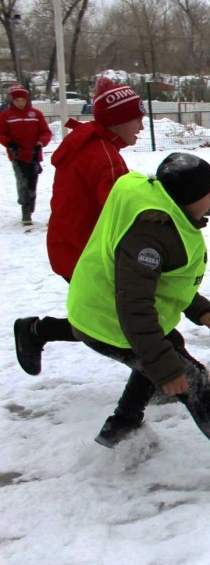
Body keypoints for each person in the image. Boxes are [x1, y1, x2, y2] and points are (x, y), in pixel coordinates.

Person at [65, 153, 210, 481]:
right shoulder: (150, 237)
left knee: (166, 348)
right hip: (110, 320)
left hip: (109, 307)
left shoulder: (163, 212)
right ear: (186, 198)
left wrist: (198, 309)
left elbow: (164, 280)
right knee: (190, 379)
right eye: (208, 194)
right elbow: (135, 307)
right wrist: (165, 369)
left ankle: (121, 425)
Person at [13, 77, 146, 377]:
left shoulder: (91, 144)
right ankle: (155, 375)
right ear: (117, 121)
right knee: (109, 320)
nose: (141, 126)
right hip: (84, 254)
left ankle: (36, 331)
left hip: (70, 247)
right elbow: (119, 212)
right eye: (136, 119)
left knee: (103, 316)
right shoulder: (105, 158)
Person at [0, 83, 52, 224]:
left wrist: (41, 143)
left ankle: (30, 204)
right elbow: (1, 133)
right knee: (22, 182)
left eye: (23, 100)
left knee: (32, 183)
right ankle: (25, 210)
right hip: (16, 155)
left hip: (34, 155)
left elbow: (46, 132)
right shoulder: (6, 116)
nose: (20, 103)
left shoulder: (36, 114)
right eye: (17, 101)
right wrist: (9, 143)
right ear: (12, 100)